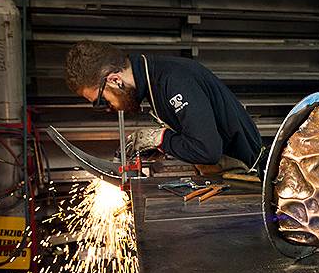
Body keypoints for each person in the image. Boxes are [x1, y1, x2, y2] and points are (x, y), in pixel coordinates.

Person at [64, 42, 263, 174]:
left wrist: (160, 138)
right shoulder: (153, 79)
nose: (108, 108)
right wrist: (160, 147)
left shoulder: (173, 80)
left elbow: (207, 151)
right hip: (225, 175)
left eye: (101, 101)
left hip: (246, 177)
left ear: (114, 80)